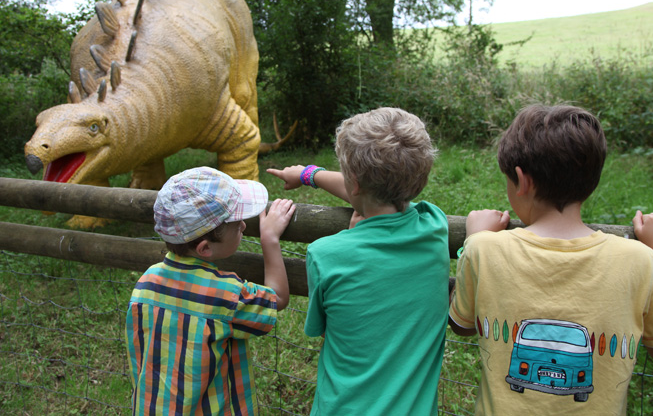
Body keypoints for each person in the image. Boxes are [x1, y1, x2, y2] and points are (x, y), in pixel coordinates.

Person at [449, 103, 653, 414]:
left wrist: (475, 237)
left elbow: (463, 325)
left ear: (521, 180)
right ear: (591, 179)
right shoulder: (640, 260)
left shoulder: (483, 249)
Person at [267, 107, 450, 415]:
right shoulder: (434, 226)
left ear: (354, 184)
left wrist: (310, 176)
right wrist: (307, 174)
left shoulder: (326, 254)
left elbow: (329, 332)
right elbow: (373, 192)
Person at [125, 166, 296, 415]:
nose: (243, 226)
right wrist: (269, 238)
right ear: (205, 249)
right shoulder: (227, 294)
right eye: (236, 222)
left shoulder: (147, 281)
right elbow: (277, 298)